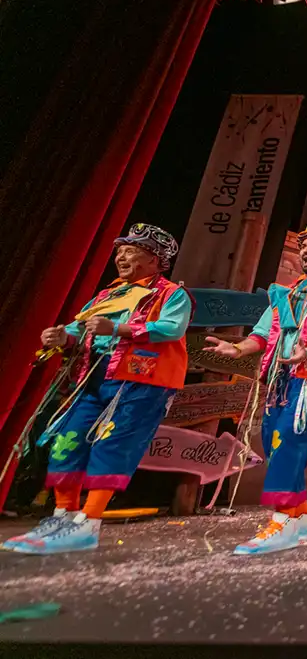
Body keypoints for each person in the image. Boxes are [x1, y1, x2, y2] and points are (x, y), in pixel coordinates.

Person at [3, 224, 192, 555]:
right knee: (68, 439)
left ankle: (88, 523)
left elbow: (171, 328)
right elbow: (82, 327)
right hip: (93, 378)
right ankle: (63, 517)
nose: (120, 255)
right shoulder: (109, 294)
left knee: (113, 444)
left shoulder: (171, 294)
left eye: (131, 250)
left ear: (154, 260)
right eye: (120, 250)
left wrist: (119, 328)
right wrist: (64, 337)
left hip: (139, 381)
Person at [204, 218, 307, 556]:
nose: (305, 251)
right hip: (280, 375)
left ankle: (282, 521)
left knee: (290, 438)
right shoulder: (287, 293)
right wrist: (237, 349)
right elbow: (262, 334)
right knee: (274, 439)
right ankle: (300, 516)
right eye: (302, 246)